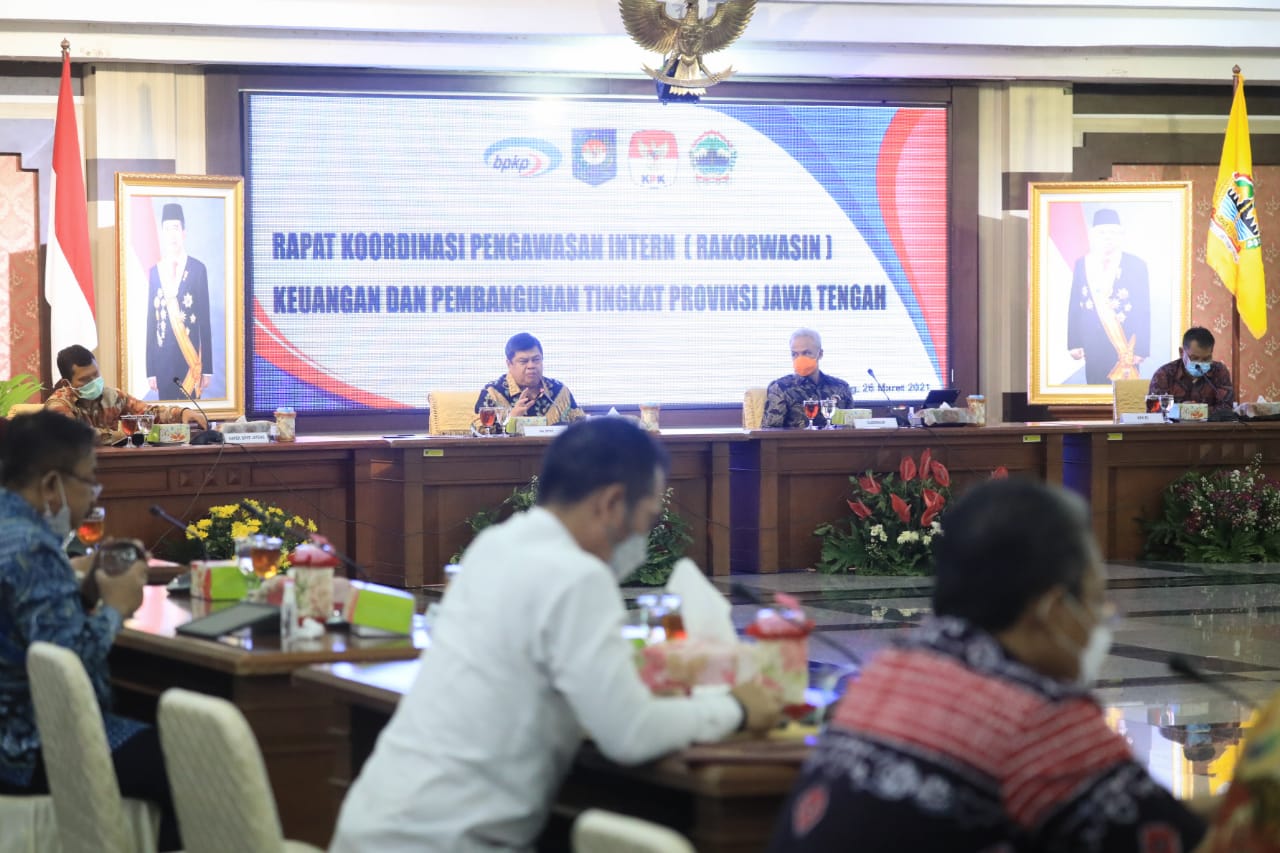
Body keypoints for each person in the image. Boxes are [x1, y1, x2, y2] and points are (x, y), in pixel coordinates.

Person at [330, 418, 784, 852]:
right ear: (610, 503)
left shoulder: (496, 546)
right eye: (645, 520)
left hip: (373, 825)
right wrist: (737, 707)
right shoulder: (577, 576)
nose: (642, 541)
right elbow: (630, 733)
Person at [769, 479, 1206, 852]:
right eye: (1095, 599)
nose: (1103, 618)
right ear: (1052, 609)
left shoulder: (895, 667)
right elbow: (1173, 840)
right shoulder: (1040, 718)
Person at [0, 412, 181, 850]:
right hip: (33, 746)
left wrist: (81, 589)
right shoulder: (33, 546)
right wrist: (115, 609)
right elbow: (68, 666)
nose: (94, 491)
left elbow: (26, 624)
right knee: (191, 761)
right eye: (89, 478)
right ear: (51, 486)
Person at [45, 345, 205, 445]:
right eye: (85, 379)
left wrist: (182, 413)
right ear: (66, 383)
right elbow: (77, 435)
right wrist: (122, 435)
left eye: (96, 374)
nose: (94, 382)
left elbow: (148, 413)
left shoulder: (112, 396)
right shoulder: (58, 405)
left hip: (113, 467)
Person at [1066, 208, 1151, 385]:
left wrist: (1142, 348)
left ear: (1120, 235)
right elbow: (1074, 305)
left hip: (1126, 345)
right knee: (1095, 394)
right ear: (1093, 235)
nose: (1108, 237)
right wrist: (1074, 342)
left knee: (1128, 399)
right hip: (1092, 343)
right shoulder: (1082, 264)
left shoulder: (1136, 265)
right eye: (1102, 232)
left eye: (1113, 232)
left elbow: (1144, 309)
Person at [146, 202, 214, 400]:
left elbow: (205, 322)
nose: (172, 234)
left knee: (192, 420)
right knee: (167, 421)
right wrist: (150, 370)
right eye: (168, 229)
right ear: (162, 234)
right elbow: (151, 322)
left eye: (176, 228)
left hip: (190, 361)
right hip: (162, 362)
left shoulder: (198, 269)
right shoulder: (155, 272)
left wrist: (207, 368)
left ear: (184, 232)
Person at [475, 332, 585, 425]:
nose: (531, 366)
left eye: (536, 359)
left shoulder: (559, 391)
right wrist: (511, 419)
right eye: (523, 361)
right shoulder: (493, 393)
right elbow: (479, 433)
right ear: (509, 364)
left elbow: (581, 425)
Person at [762, 328, 853, 428]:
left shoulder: (841, 387)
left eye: (806, 353)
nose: (800, 359)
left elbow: (850, 426)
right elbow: (770, 431)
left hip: (836, 442)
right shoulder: (780, 388)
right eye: (795, 354)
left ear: (820, 354)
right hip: (796, 442)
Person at [1148, 326, 1235, 414]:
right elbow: (1153, 411)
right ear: (1182, 353)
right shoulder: (1164, 374)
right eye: (1194, 358)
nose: (1200, 364)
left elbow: (1227, 407)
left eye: (1206, 359)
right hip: (1174, 427)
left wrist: (1196, 411)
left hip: (1209, 427)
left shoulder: (1219, 371)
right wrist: (1179, 410)